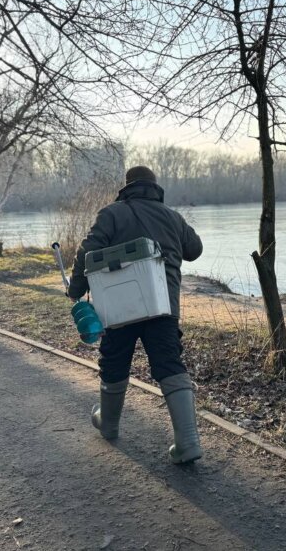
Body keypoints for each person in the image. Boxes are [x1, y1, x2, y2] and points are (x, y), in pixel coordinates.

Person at [68, 166, 204, 463]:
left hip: (120, 304)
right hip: (163, 306)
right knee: (168, 362)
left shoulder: (112, 213)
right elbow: (195, 249)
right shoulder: (172, 216)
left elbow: (87, 251)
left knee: (114, 360)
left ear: (127, 187)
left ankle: (110, 424)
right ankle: (188, 442)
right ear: (155, 187)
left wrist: (76, 289)